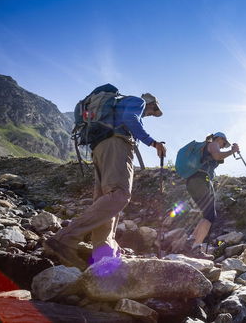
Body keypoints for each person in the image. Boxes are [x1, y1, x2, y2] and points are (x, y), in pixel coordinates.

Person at [44, 90, 166, 270]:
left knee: (106, 199)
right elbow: (131, 118)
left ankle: (103, 250)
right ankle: (65, 239)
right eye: (151, 112)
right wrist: (153, 143)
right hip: (117, 145)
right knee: (119, 194)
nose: (148, 115)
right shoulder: (137, 102)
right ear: (151, 104)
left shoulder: (116, 104)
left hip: (101, 148)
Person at [185, 132, 239, 259]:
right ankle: (195, 248)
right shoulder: (213, 144)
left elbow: (218, 158)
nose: (224, 145)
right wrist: (232, 151)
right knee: (210, 215)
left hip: (194, 180)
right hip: (200, 180)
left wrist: (231, 151)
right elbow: (217, 155)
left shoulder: (206, 147)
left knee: (207, 214)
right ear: (219, 139)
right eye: (224, 143)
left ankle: (190, 241)